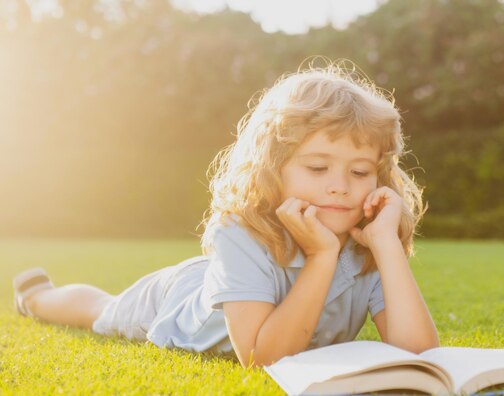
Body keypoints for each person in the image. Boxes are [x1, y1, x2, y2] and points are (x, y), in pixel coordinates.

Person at [13, 59, 439, 367]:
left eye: (360, 171)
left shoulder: (369, 239)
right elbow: (261, 356)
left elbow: (419, 353)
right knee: (101, 312)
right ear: (274, 167)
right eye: (317, 167)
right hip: (181, 301)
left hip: (231, 279)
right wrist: (322, 257)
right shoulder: (240, 231)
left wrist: (387, 245)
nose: (340, 186)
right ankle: (36, 296)